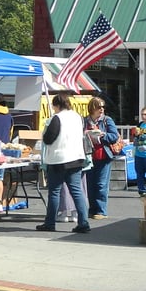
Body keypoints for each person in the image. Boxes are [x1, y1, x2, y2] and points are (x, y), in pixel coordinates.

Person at [36, 92, 91, 233]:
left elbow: (49, 139)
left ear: (57, 105)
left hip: (58, 159)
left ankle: (50, 223)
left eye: (54, 106)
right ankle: (83, 222)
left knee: (54, 192)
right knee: (77, 191)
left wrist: (44, 135)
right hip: (76, 158)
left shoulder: (57, 118)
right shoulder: (78, 117)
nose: (53, 108)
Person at [84, 96, 120, 220]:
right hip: (89, 157)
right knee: (90, 185)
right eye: (99, 107)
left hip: (104, 156)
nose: (102, 109)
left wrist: (102, 135)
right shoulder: (85, 121)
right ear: (92, 108)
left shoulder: (107, 120)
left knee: (101, 184)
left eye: (103, 107)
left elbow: (114, 136)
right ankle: (92, 209)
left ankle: (101, 210)